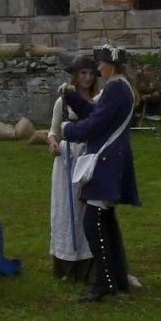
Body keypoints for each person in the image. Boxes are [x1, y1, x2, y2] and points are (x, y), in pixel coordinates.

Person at [62, 44, 141, 303]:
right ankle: (116, 279)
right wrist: (73, 98)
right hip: (111, 157)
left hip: (106, 159)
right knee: (106, 222)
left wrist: (68, 130)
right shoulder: (118, 87)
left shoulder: (116, 88)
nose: (97, 68)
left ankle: (104, 283)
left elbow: (95, 124)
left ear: (111, 65)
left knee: (94, 223)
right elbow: (97, 113)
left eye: (101, 63)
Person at [45, 55, 99, 283]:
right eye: (83, 73)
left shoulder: (97, 101)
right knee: (66, 210)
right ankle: (66, 263)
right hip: (67, 159)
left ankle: (87, 263)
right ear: (75, 76)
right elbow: (53, 130)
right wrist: (52, 143)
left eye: (91, 74)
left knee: (86, 208)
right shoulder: (64, 101)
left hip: (87, 157)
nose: (87, 78)